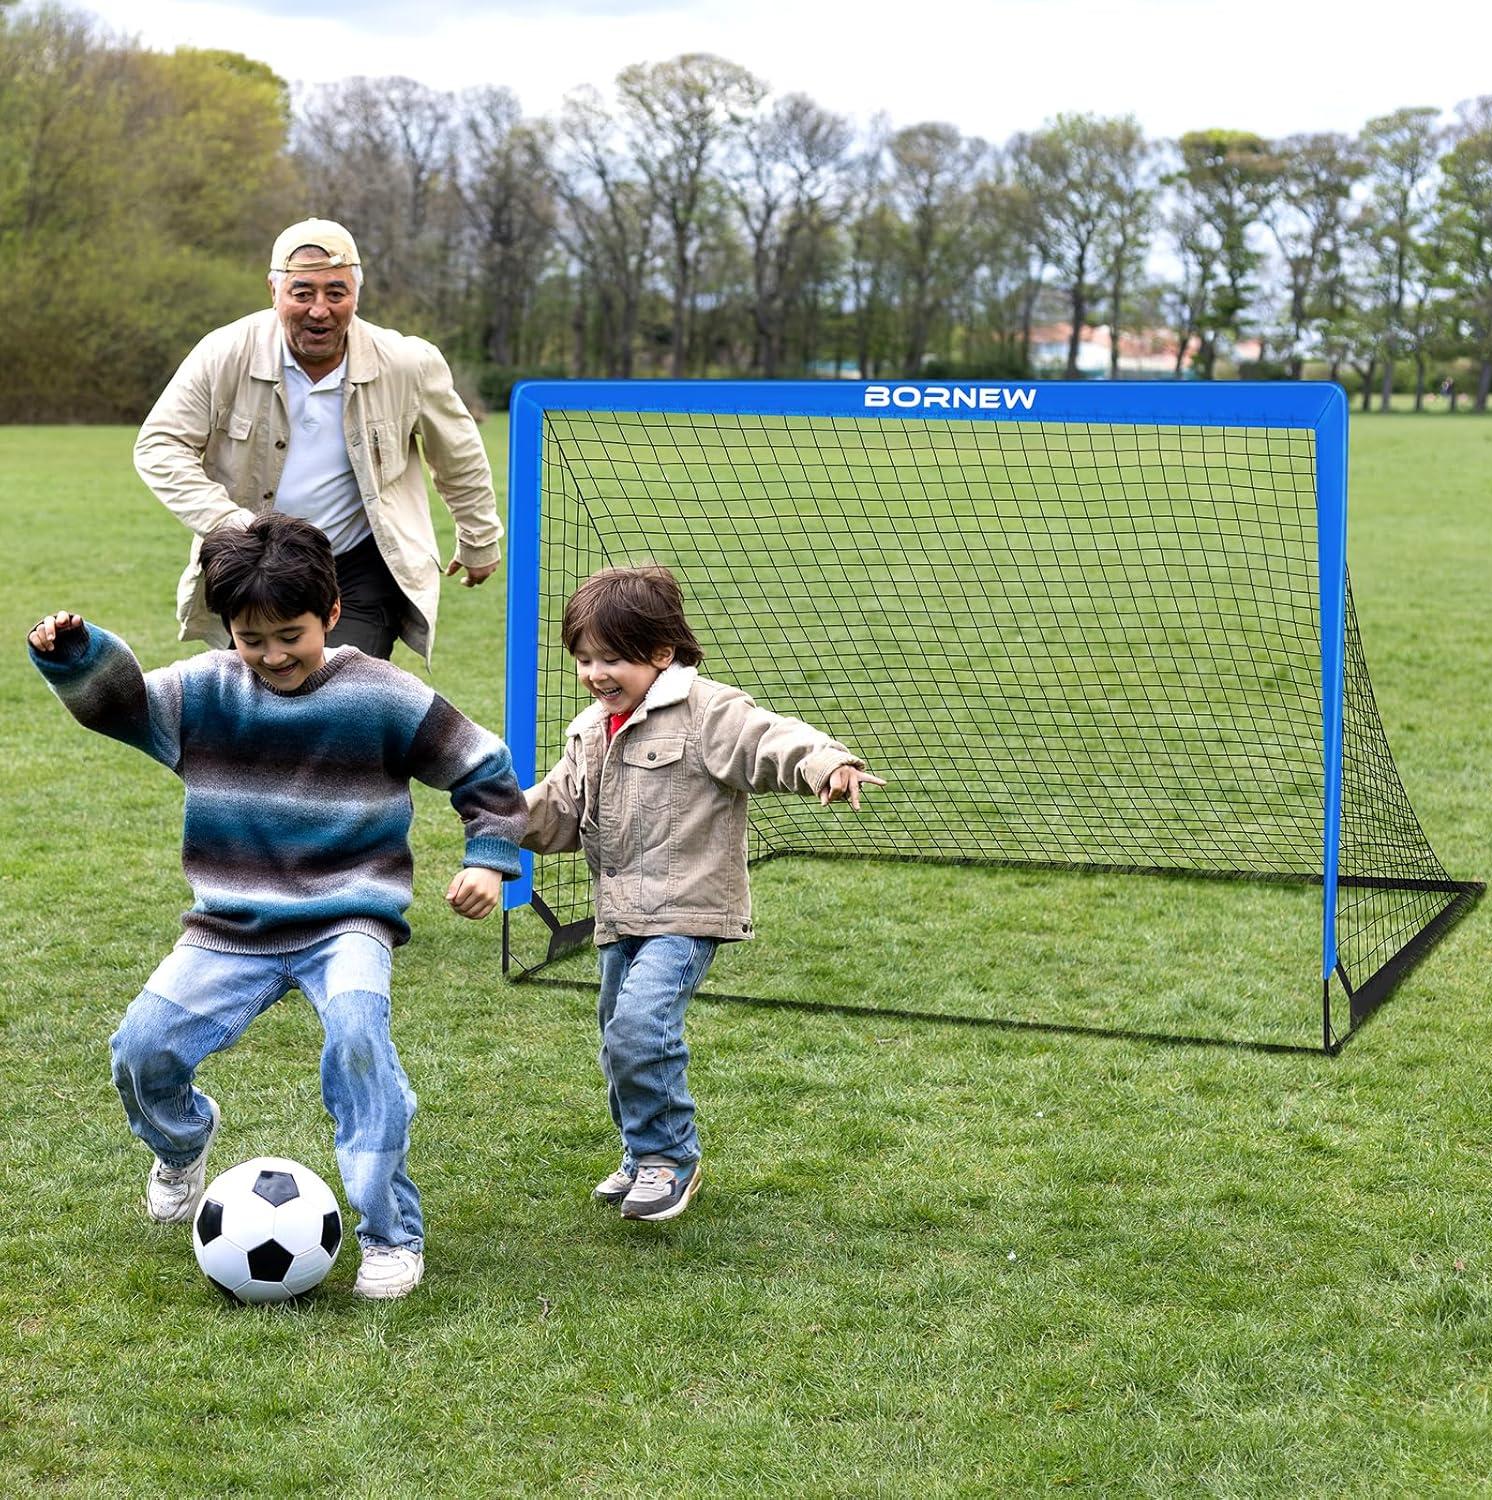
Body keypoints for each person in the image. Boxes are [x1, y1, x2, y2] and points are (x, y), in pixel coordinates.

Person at [27, 514, 525, 1300]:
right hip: (231, 923)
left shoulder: (383, 695)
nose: (271, 655)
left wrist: (490, 860)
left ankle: (392, 1234)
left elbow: (483, 767)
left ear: (330, 613)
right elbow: (118, 705)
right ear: (228, 630)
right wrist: (77, 654)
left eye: (289, 634)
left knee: (361, 1040)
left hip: (345, 918)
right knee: (140, 1051)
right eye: (250, 638)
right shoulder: (205, 691)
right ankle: (183, 1141)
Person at [522, 565, 885, 1222]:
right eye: (583, 659)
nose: (596, 674)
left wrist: (827, 762)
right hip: (620, 915)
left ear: (662, 654)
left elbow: (774, 740)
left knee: (640, 1026)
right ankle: (640, 1156)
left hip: (688, 912)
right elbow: (560, 813)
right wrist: (502, 815)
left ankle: (670, 1159)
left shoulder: (708, 713)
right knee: (617, 1036)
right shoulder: (589, 730)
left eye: (613, 659)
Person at [134, 218, 501, 665]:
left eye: (336, 292)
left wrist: (479, 537)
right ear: (274, 292)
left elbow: (458, 455)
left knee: (337, 692)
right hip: (254, 562)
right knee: (257, 693)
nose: (319, 309)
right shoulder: (223, 353)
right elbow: (159, 445)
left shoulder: (409, 363)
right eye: (302, 293)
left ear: (356, 295)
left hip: (356, 563)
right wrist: (229, 521)